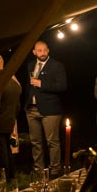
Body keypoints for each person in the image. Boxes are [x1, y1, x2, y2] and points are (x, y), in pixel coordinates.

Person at [26, 40, 66, 177]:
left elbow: (62, 86)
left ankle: (55, 170)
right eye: (39, 50)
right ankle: (39, 170)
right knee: (35, 142)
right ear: (34, 52)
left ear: (48, 50)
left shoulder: (56, 65)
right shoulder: (31, 65)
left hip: (50, 110)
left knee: (52, 141)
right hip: (32, 109)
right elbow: (29, 86)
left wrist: (41, 83)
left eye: (44, 50)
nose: (42, 53)